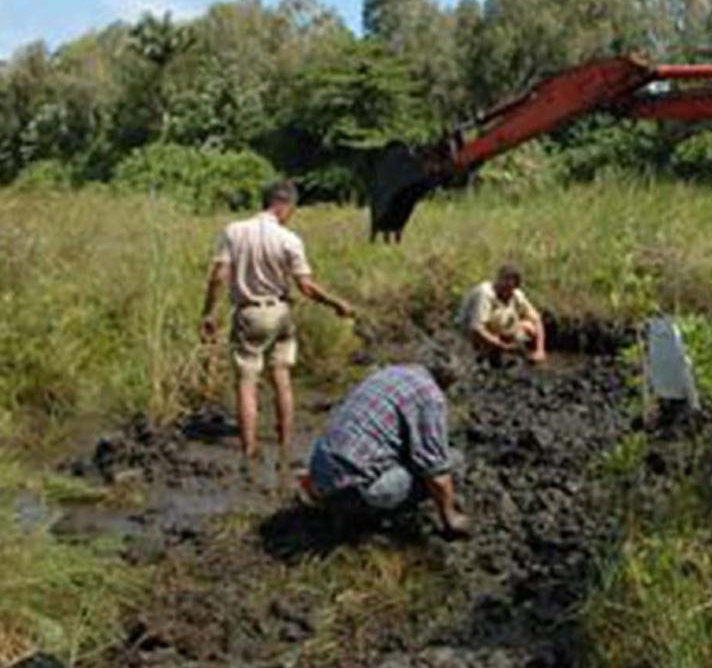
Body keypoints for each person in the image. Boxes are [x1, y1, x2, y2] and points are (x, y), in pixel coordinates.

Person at [200, 179, 355, 462]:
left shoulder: (233, 231)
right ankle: (285, 443)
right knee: (281, 378)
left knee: (247, 382)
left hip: (249, 313)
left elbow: (218, 276)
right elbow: (306, 287)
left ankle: (249, 448)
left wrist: (208, 313)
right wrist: (337, 303)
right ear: (283, 205)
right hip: (281, 312)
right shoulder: (289, 239)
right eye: (292, 209)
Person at [303, 353, 473, 538]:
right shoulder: (430, 395)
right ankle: (361, 518)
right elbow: (436, 470)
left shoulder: (390, 372)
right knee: (453, 461)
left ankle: (335, 502)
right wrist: (450, 518)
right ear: (449, 382)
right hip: (353, 490)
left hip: (319, 471)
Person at [457, 265, 547, 363]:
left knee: (529, 327)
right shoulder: (485, 293)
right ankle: (488, 352)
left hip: (498, 327)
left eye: (510, 286)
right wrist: (503, 346)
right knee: (493, 342)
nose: (506, 289)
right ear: (498, 280)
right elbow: (476, 328)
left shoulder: (516, 295)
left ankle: (515, 349)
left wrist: (540, 350)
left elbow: (537, 319)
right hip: (471, 334)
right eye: (504, 283)